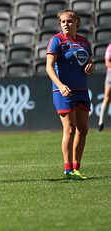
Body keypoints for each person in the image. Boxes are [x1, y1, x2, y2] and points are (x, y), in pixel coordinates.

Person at [46, 9, 94, 180]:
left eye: (69, 21)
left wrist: (91, 66)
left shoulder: (83, 42)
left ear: (77, 23)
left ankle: (76, 167)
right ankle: (67, 169)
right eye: (63, 21)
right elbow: (49, 66)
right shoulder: (57, 40)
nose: (66, 24)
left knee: (83, 129)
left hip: (81, 89)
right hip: (63, 90)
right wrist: (60, 85)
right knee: (70, 128)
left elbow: (88, 61)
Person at [98, 42, 111, 131]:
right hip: (110, 74)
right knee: (107, 98)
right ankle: (101, 122)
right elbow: (107, 63)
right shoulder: (110, 47)